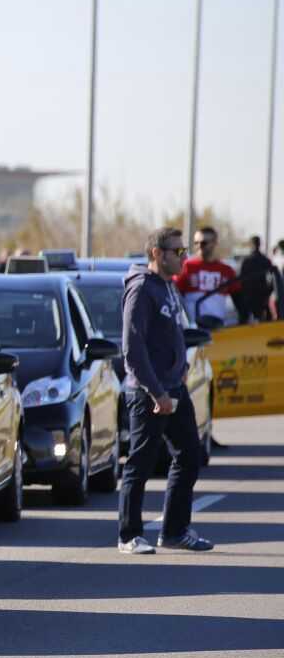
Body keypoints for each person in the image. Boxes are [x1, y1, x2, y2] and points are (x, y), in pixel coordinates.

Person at [117, 227, 211, 554]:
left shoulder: (169, 288)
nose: (183, 257)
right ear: (157, 253)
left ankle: (174, 531)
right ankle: (129, 536)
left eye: (185, 251)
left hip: (174, 388)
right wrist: (156, 392)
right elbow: (132, 347)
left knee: (189, 457)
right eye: (178, 251)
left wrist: (182, 369)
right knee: (140, 464)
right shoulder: (142, 290)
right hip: (149, 394)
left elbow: (176, 333)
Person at [173, 226, 239, 327]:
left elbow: (239, 300)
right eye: (196, 243)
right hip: (192, 331)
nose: (199, 246)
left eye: (203, 243)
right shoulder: (186, 267)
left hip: (219, 330)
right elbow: (174, 298)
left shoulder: (226, 270)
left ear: (215, 243)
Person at [235, 235, 278, 324]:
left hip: (252, 297)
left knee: (245, 321)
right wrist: (268, 293)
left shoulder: (246, 261)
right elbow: (272, 280)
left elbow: (240, 280)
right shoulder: (265, 260)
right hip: (260, 297)